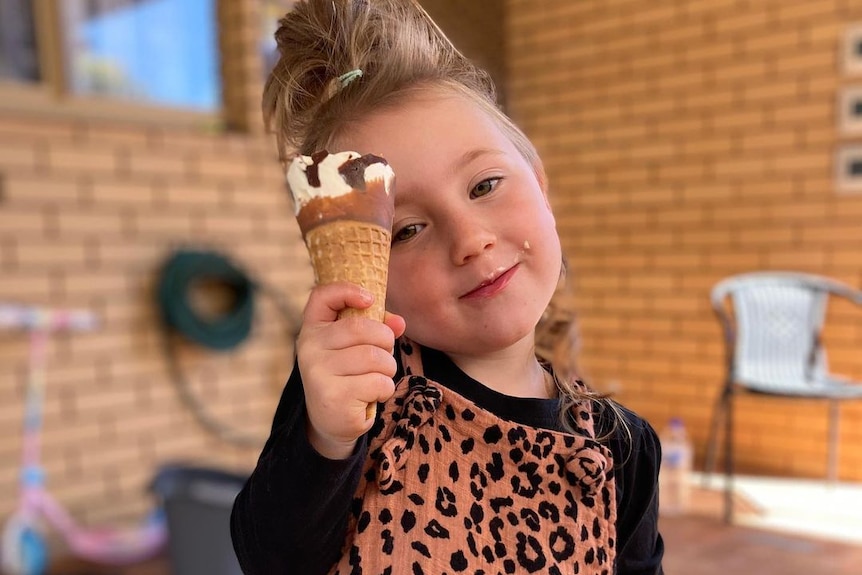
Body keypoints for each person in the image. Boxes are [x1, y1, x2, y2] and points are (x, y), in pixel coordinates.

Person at [230, 1, 665, 573]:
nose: (469, 240)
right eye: (408, 229)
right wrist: (327, 441)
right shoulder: (363, 397)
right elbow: (269, 558)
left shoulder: (621, 449)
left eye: (485, 185)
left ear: (539, 184)